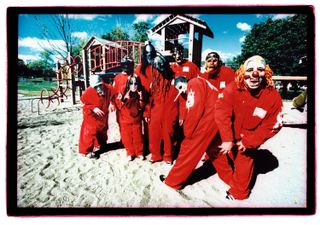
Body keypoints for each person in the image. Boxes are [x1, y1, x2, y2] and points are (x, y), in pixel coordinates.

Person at [212, 55, 284, 200]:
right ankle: (231, 178)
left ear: (266, 73)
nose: (254, 74)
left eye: (260, 70)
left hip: (249, 136)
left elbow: (274, 124)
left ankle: (239, 193)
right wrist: (227, 138)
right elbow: (221, 111)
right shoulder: (233, 88)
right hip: (230, 131)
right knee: (215, 151)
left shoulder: (273, 96)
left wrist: (250, 141)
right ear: (242, 72)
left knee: (244, 162)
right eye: (250, 69)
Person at [159, 75, 220, 189]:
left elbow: (195, 110)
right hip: (216, 119)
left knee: (187, 149)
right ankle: (231, 178)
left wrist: (188, 132)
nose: (181, 90)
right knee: (216, 151)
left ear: (184, 81)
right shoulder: (202, 82)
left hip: (207, 121)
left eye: (181, 86)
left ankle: (172, 181)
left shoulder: (193, 84)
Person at [113, 56, 145, 161]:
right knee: (125, 132)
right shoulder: (117, 78)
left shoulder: (135, 76)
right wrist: (116, 104)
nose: (126, 68)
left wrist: (140, 99)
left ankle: (139, 151)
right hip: (123, 108)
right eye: (124, 65)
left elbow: (141, 91)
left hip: (135, 108)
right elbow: (114, 93)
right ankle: (130, 152)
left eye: (128, 65)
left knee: (137, 132)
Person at [78, 74, 113, 159]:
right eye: (96, 86)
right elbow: (82, 104)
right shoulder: (88, 92)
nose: (98, 88)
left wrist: (112, 103)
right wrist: (93, 108)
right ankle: (86, 151)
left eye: (100, 85)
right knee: (90, 132)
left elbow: (114, 95)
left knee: (103, 130)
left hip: (103, 114)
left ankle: (101, 144)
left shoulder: (108, 88)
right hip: (91, 116)